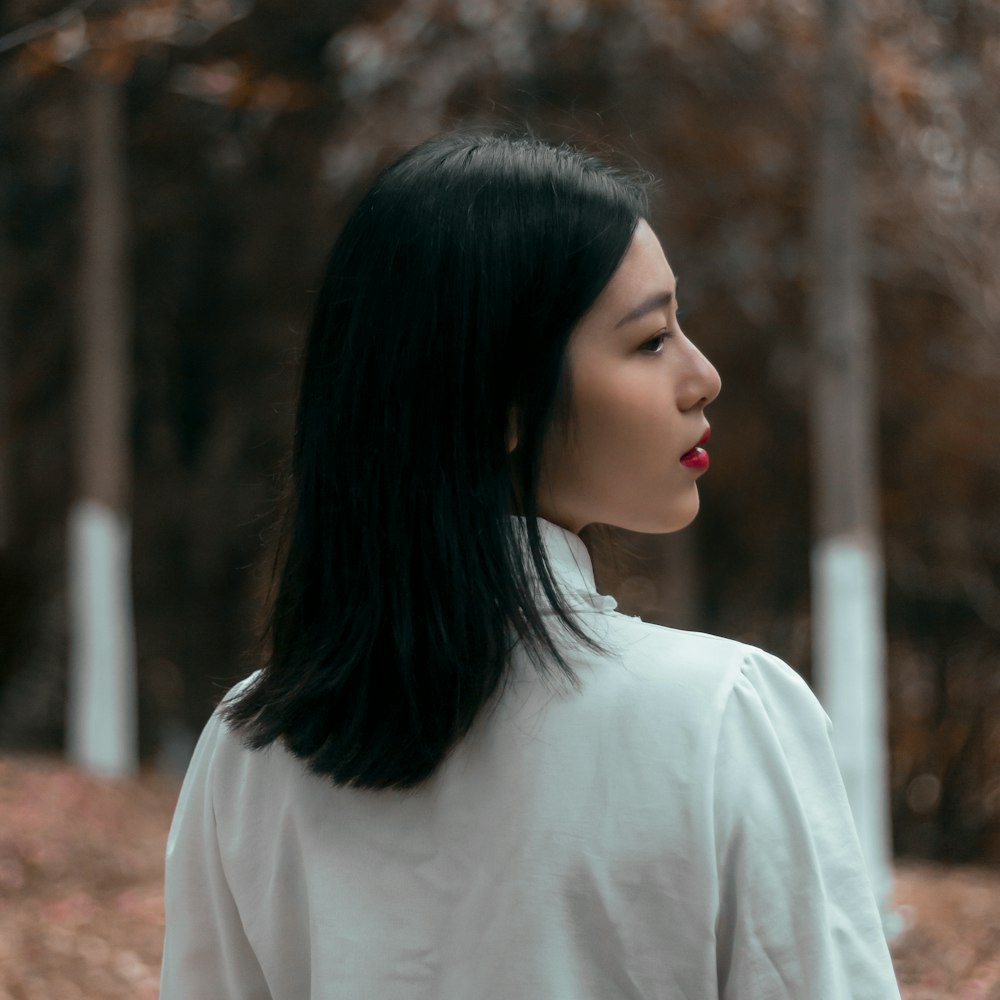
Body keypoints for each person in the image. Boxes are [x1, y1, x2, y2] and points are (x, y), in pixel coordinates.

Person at [159, 130, 902, 999]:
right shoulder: (723, 715)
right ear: (504, 403)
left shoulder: (251, 747)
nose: (703, 377)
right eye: (651, 340)